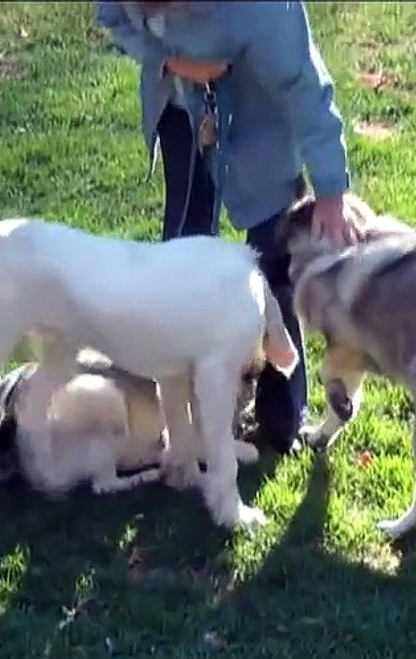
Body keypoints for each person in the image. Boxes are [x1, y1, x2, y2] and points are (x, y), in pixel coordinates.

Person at [95, 0, 361, 454]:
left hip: (260, 128)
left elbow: (304, 86)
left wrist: (332, 189)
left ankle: (281, 417)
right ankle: (175, 404)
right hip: (182, 108)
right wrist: (171, 62)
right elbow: (113, 17)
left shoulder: (263, 11)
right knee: (180, 256)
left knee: (275, 265)